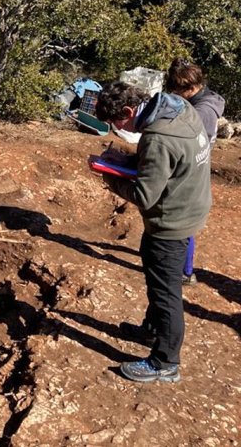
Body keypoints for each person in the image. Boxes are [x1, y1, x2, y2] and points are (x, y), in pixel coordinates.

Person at [94, 82, 211, 383]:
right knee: (159, 277)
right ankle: (152, 329)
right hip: (191, 204)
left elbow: (145, 195)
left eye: (115, 122)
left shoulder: (156, 138)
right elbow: (172, 162)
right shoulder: (178, 107)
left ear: (129, 111)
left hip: (170, 223)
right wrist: (132, 161)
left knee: (166, 292)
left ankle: (165, 362)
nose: (115, 128)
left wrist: (108, 175)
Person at [165, 58, 226, 286]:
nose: (174, 95)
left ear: (191, 88)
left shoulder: (203, 112)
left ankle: (186, 271)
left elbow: (194, 141)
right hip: (195, 163)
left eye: (177, 91)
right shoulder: (202, 101)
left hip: (192, 167)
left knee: (184, 221)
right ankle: (183, 267)